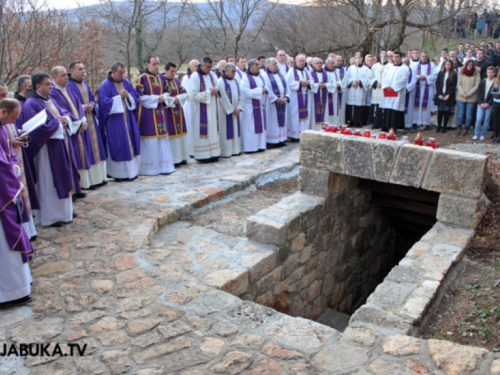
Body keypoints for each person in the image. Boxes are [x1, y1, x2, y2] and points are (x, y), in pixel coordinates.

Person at [23, 73, 78, 227]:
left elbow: (63, 112)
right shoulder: (31, 104)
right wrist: (57, 123)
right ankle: (50, 216)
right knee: (48, 181)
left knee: (62, 176)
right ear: (38, 86)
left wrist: (65, 119)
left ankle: (64, 213)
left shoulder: (50, 100)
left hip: (59, 146)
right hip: (45, 151)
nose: (50, 87)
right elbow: (35, 130)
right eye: (47, 84)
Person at [0, 98, 34, 307]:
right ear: (3, 111)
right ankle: (9, 292)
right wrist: (15, 185)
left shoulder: (2, 127)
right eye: (12, 117)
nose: (12, 122)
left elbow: (6, 155)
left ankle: (19, 286)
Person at [50, 66, 90, 196]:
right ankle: (71, 190)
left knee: (75, 160)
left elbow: (78, 106)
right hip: (67, 131)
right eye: (63, 76)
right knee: (69, 161)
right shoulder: (53, 93)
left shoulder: (68, 90)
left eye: (66, 75)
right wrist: (77, 122)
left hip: (75, 128)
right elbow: (62, 111)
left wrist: (83, 120)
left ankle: (77, 188)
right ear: (54, 77)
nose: (66, 78)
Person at [67, 61, 108, 188]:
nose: (83, 71)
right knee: (86, 150)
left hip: (91, 121)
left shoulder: (84, 84)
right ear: (72, 71)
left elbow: (91, 97)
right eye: (80, 69)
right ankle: (89, 181)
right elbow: (68, 106)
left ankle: (99, 178)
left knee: (97, 149)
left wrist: (92, 104)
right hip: (81, 124)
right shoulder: (68, 86)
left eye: (83, 69)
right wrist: (83, 107)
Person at [98, 62, 141, 180]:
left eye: (124, 72)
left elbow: (135, 96)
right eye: (120, 72)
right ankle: (118, 174)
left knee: (131, 142)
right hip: (115, 121)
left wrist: (128, 96)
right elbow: (104, 103)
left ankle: (132, 172)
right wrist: (118, 98)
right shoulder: (105, 85)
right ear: (113, 72)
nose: (122, 75)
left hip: (128, 119)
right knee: (118, 144)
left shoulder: (126, 83)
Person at [135, 56, 175, 176]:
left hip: (160, 113)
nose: (157, 66)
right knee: (150, 139)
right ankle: (150, 168)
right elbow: (139, 97)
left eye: (158, 63)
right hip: (148, 115)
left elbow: (168, 92)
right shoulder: (142, 78)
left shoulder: (162, 77)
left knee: (161, 139)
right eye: (154, 64)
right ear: (148, 64)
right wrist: (155, 98)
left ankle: (164, 166)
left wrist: (164, 97)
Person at [189, 56, 221, 162]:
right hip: (200, 110)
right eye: (208, 67)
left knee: (212, 129)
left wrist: (216, 89)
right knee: (203, 132)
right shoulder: (195, 77)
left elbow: (217, 85)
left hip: (212, 107)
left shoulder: (212, 75)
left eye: (211, 67)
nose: (209, 69)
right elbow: (193, 95)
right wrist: (208, 93)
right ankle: (203, 156)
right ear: (202, 65)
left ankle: (214, 153)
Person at [163, 61, 190, 166]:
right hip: (169, 111)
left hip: (178, 110)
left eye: (175, 71)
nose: (173, 73)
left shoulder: (177, 82)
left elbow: (184, 92)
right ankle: (174, 159)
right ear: (166, 71)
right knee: (172, 135)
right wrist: (171, 100)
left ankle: (183, 157)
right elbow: (162, 95)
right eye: (171, 71)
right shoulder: (163, 82)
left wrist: (178, 98)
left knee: (181, 134)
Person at [240, 59, 267, 153]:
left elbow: (264, 88)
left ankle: (260, 146)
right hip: (249, 108)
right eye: (256, 65)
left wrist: (265, 90)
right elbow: (245, 92)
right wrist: (260, 90)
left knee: (259, 128)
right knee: (250, 129)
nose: (259, 67)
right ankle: (250, 148)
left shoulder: (260, 77)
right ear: (251, 67)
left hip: (259, 107)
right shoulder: (245, 78)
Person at [380, 51, 410, 131]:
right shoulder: (388, 66)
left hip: (397, 91)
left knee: (395, 108)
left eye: (397, 57)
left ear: (401, 57)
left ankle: (394, 126)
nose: (395, 58)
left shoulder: (405, 68)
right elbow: (384, 76)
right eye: (394, 57)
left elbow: (403, 80)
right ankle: (385, 126)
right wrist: (386, 86)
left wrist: (393, 87)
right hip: (388, 90)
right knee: (387, 108)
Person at [262, 58, 289, 147]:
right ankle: (272, 141)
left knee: (281, 121)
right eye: (274, 64)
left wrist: (286, 98)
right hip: (272, 104)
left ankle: (281, 139)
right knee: (272, 121)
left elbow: (287, 87)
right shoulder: (265, 76)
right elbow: (267, 89)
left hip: (282, 102)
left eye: (276, 64)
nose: (276, 66)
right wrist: (276, 99)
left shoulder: (281, 75)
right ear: (268, 65)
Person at [217, 63, 242, 157]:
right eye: (232, 71)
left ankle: (235, 149)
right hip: (225, 112)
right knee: (226, 131)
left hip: (236, 110)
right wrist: (231, 109)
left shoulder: (235, 81)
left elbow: (240, 94)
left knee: (235, 130)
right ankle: (226, 151)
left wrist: (239, 107)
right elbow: (222, 97)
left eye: (235, 71)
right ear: (226, 71)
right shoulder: (221, 82)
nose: (234, 73)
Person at [343, 53, 371, 127]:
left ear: (362, 58)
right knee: (351, 105)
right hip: (352, 89)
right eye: (355, 58)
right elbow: (346, 78)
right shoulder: (350, 68)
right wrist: (351, 82)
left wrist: (360, 82)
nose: (357, 59)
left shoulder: (366, 69)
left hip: (360, 89)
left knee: (359, 106)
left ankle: (359, 121)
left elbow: (368, 79)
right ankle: (351, 120)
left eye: (358, 58)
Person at [286, 54, 311, 141]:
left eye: (303, 61)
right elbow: (288, 84)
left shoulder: (306, 71)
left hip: (305, 97)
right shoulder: (291, 71)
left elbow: (311, 80)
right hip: (295, 97)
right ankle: (295, 135)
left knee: (305, 115)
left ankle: (303, 133)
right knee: (295, 115)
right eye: (300, 61)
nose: (302, 63)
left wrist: (308, 83)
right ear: (296, 62)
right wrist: (300, 84)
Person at [412, 51, 437, 131]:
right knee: (416, 105)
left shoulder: (432, 66)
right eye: (423, 56)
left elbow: (434, 75)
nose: (424, 58)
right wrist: (419, 77)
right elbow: (413, 75)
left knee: (427, 106)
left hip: (427, 88)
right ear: (420, 56)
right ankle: (415, 121)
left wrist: (426, 77)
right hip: (418, 88)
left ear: (427, 57)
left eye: (425, 56)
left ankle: (426, 123)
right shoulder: (416, 66)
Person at [456, 60, 480, 136]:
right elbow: (458, 84)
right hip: (461, 96)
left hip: (471, 97)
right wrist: (463, 93)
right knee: (460, 113)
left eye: (471, 65)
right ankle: (459, 127)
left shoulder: (476, 73)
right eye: (468, 65)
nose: (469, 66)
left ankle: (466, 128)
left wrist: (469, 93)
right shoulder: (461, 72)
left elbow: (477, 85)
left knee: (469, 114)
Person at [181, 59, 200, 157]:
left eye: (198, 65)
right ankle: (191, 150)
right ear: (190, 67)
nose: (197, 68)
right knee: (190, 127)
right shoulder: (186, 78)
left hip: (198, 104)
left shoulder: (199, 77)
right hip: (189, 105)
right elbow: (188, 92)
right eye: (195, 66)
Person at [433, 60, 457, 133]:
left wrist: (448, 94)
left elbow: (453, 86)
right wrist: (439, 93)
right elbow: (437, 84)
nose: (448, 66)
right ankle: (439, 126)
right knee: (440, 111)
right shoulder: (440, 73)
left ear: (451, 65)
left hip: (448, 95)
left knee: (446, 111)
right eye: (446, 64)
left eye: (449, 64)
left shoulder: (454, 74)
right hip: (441, 94)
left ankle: (444, 127)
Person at [472, 66, 495, 141]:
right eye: (488, 72)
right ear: (486, 73)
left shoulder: (496, 83)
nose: (490, 74)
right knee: (478, 119)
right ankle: (476, 134)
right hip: (481, 104)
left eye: (491, 72)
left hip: (489, 104)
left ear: (494, 73)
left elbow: (494, 95)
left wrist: (488, 103)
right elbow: (479, 93)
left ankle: (483, 134)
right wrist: (480, 102)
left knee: (486, 120)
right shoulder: (483, 81)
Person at [308, 57, 329, 131]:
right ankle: (314, 129)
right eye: (317, 63)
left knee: (324, 111)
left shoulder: (326, 73)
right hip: (314, 96)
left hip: (324, 95)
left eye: (321, 63)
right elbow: (309, 83)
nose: (319, 65)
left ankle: (323, 128)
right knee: (314, 112)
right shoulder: (310, 73)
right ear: (313, 64)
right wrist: (317, 85)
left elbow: (331, 84)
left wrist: (325, 85)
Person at [369, 51, 389, 129]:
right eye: (381, 56)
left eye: (384, 56)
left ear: (387, 57)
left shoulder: (390, 66)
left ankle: (384, 123)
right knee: (376, 107)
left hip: (385, 89)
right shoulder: (375, 66)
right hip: (377, 89)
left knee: (385, 106)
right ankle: (376, 123)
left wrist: (384, 83)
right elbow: (370, 77)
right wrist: (376, 83)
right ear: (379, 56)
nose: (383, 58)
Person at [403, 57, 418, 129]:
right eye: (404, 62)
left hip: (409, 92)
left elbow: (414, 81)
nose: (406, 63)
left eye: (407, 62)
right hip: (401, 92)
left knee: (409, 108)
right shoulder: (400, 70)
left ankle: (408, 124)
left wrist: (407, 88)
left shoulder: (412, 71)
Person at [491, 70, 500, 143]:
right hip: (496, 102)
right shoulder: (496, 81)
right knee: (496, 119)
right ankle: (495, 134)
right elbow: (492, 91)